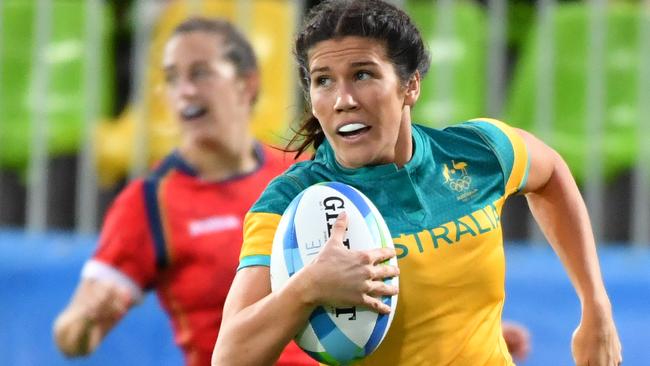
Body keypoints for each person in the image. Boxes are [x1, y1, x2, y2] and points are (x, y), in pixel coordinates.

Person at [211, 1, 622, 365]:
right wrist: (308, 288)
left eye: (363, 74)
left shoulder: (477, 151)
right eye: (324, 80)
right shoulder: (292, 201)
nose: (343, 99)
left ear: (410, 86)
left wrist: (595, 306)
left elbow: (549, 173)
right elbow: (230, 356)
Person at [52, 17, 315, 366]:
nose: (185, 90)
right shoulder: (149, 201)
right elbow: (71, 337)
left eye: (200, 73)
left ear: (247, 84)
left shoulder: (300, 171)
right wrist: (87, 320)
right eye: (173, 78)